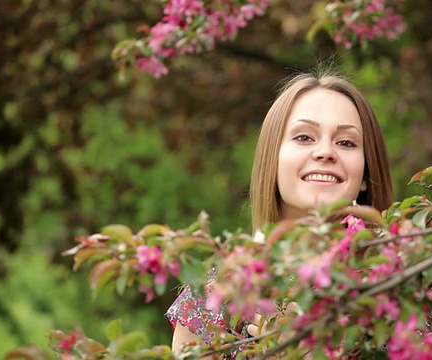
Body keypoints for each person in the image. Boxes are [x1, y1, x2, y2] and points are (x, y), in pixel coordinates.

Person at [165, 69, 394, 357]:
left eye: (346, 142)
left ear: (365, 172)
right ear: (272, 161)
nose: (325, 152)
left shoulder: (402, 286)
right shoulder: (217, 295)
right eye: (304, 137)